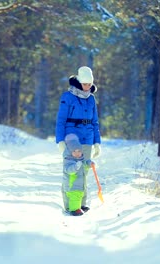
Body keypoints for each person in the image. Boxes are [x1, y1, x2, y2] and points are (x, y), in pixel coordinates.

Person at [56, 66, 101, 212]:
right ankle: (69, 204)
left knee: (84, 171)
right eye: (85, 83)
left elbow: (95, 122)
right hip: (71, 137)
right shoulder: (67, 97)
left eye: (89, 84)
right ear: (79, 81)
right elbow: (61, 120)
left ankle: (80, 204)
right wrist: (60, 140)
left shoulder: (91, 99)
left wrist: (97, 142)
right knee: (71, 172)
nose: (87, 86)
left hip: (87, 137)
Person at [62, 133, 94, 216]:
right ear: (69, 152)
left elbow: (84, 167)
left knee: (79, 195)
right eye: (74, 151)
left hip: (79, 185)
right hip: (72, 186)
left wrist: (88, 164)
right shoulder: (68, 161)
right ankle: (74, 209)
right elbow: (69, 170)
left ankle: (78, 207)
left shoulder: (80, 160)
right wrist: (75, 167)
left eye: (79, 151)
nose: (77, 153)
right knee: (75, 196)